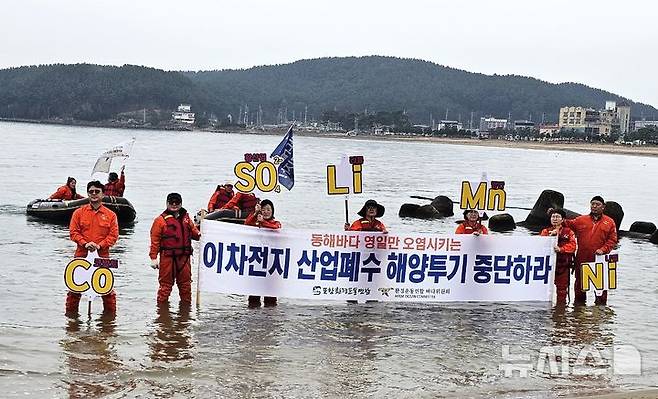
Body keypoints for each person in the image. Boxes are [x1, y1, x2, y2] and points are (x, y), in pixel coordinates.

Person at [66, 180, 119, 316]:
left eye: (97, 191)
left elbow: (113, 236)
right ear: (88, 194)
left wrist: (99, 245)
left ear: (102, 194)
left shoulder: (111, 215)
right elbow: (73, 232)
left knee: (106, 290)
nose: (94, 194)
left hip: (102, 256)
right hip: (81, 256)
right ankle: (71, 321)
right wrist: (85, 243)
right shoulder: (78, 213)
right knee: (74, 290)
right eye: (91, 192)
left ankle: (109, 322)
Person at [561, 195, 618, 305]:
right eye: (592, 204)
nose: (594, 206)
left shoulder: (609, 222)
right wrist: (555, 215)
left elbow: (612, 240)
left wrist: (603, 249)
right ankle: (578, 310)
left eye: (597, 204)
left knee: (601, 287)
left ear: (603, 207)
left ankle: (600, 311)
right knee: (580, 285)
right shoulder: (581, 220)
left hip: (600, 259)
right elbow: (567, 224)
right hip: (582, 258)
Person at [149, 193, 201, 305]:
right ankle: (162, 314)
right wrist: (153, 258)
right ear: (167, 203)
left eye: (176, 202)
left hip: (184, 258)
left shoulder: (187, 219)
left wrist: (202, 227)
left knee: (186, 286)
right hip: (167, 258)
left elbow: (195, 234)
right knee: (165, 287)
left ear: (181, 204)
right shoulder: (160, 220)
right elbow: (155, 241)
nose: (174, 205)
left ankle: (186, 311)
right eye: (171, 202)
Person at [244, 199, 281, 306]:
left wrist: (263, 222)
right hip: (257, 261)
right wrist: (255, 213)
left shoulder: (276, 223)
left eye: (268, 209)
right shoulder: (256, 224)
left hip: (271, 262)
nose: (266, 212)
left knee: (271, 298)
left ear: (272, 211)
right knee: (253, 298)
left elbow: (276, 228)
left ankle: (269, 317)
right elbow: (246, 224)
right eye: (264, 210)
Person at [540, 208, 576, 305]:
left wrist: (561, 249)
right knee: (544, 288)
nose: (555, 219)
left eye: (557, 217)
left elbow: (573, 246)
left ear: (563, 219)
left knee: (562, 290)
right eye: (553, 217)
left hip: (562, 265)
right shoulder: (545, 231)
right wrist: (550, 236)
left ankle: (561, 309)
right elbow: (540, 246)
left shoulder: (569, 232)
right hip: (547, 266)